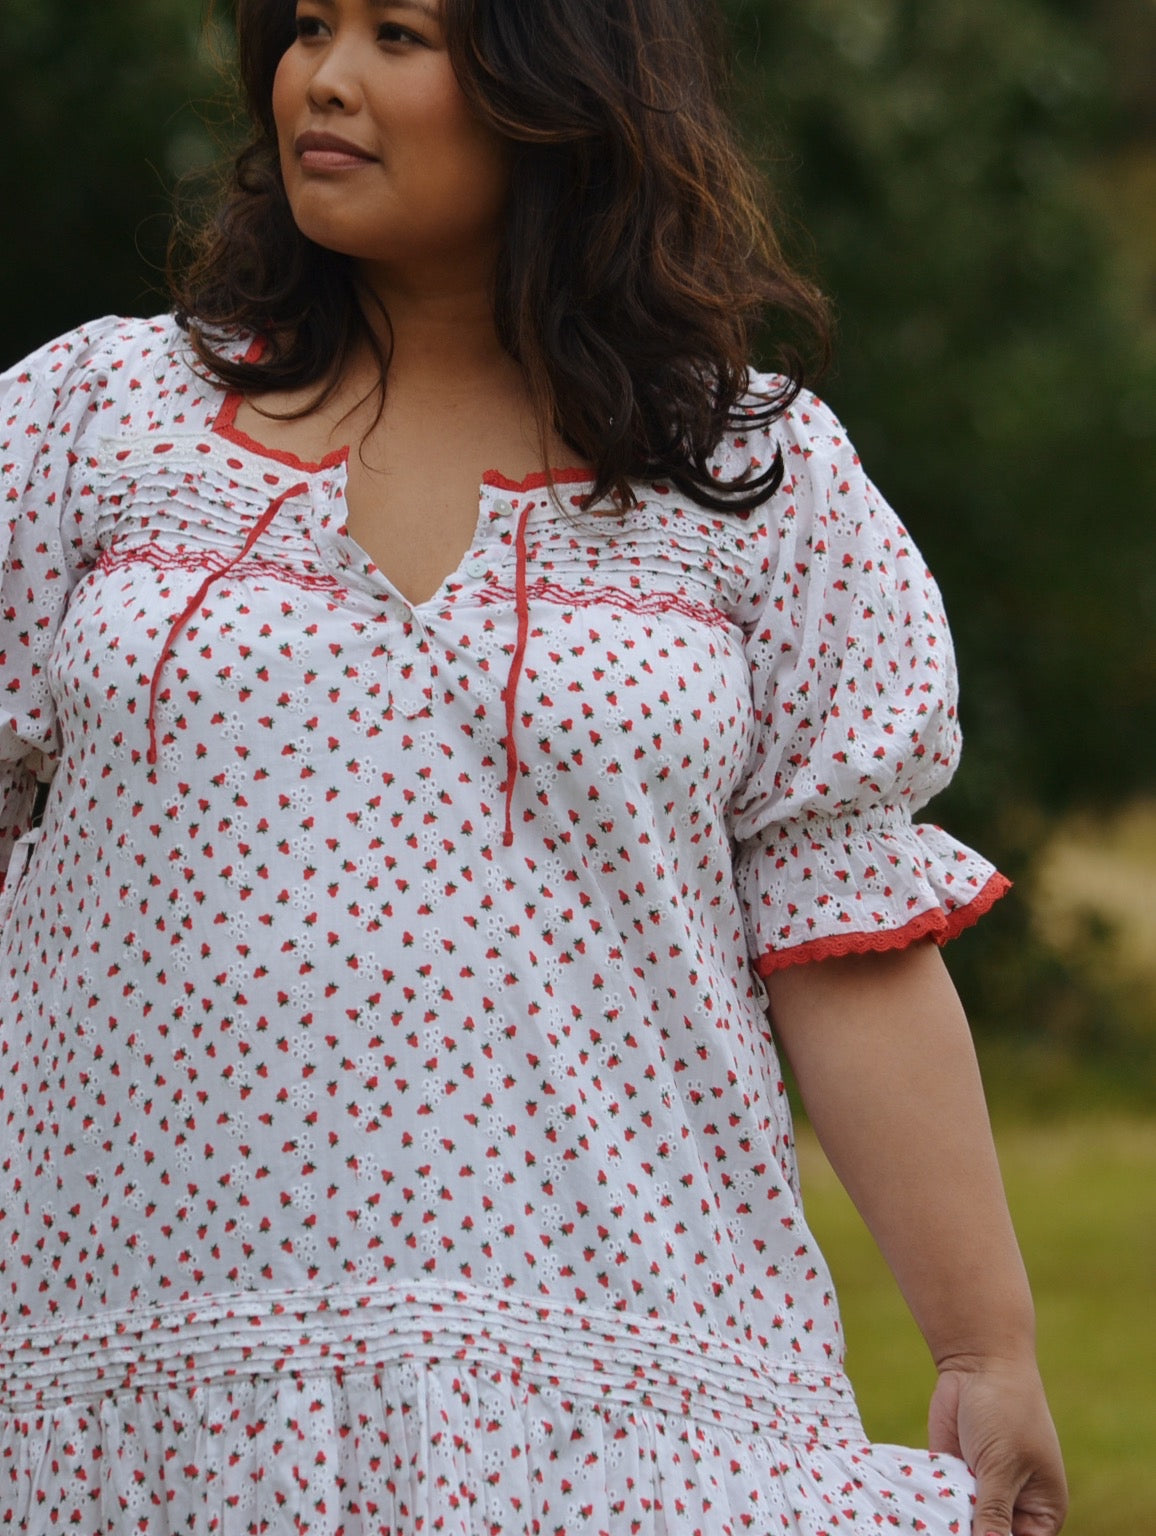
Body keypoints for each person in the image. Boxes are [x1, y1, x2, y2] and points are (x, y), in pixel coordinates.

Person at [0, 1, 1067, 1533]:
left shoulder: (753, 483)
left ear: (559, 86)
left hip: (617, 1389)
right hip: (138, 1383)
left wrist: (985, 1345)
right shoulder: (91, 424)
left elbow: (848, 940)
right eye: (308, 26)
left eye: (399, 34)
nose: (325, 79)